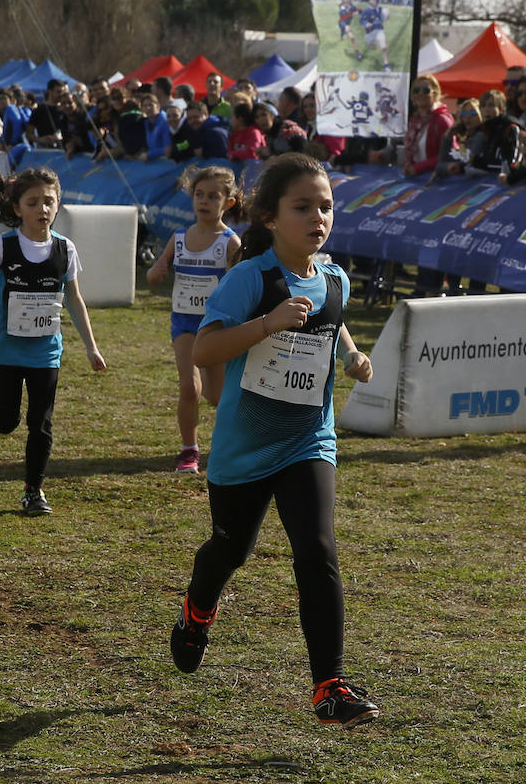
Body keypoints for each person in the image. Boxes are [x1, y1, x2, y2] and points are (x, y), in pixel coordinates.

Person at [167, 152, 379, 730]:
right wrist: (267, 323)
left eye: (326, 206)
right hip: (245, 448)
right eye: (303, 207)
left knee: (317, 549)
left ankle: (329, 686)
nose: (318, 217)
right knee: (229, 551)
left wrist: (352, 355)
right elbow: (204, 350)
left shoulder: (335, 278)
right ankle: (197, 610)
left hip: (309, 440)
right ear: (269, 216)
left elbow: (332, 322)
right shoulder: (251, 279)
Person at [0, 168, 107, 516]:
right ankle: (4, 414)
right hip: (8, 350)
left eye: (49, 201)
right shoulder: (4, 246)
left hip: (46, 351)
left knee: (41, 424)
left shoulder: (65, 248)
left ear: (58, 205)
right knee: (4, 422)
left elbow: (74, 299)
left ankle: (33, 491)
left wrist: (91, 346)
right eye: (33, 202)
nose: (42, 209)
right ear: (18, 208)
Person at [145, 166, 244, 474]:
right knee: (190, 387)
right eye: (199, 195)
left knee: (217, 396)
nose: (204, 201)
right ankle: (189, 450)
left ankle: (230, 447)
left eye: (213, 196)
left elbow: (241, 287)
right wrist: (157, 271)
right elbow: (153, 275)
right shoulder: (179, 238)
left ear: (228, 202)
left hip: (216, 327)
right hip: (185, 325)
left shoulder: (230, 243)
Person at [403, 74, 454, 176]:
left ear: (435, 94)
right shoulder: (413, 121)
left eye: (426, 90)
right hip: (415, 178)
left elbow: (450, 154)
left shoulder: (442, 120)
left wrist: (419, 167)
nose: (420, 93)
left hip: (437, 178)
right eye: (416, 90)